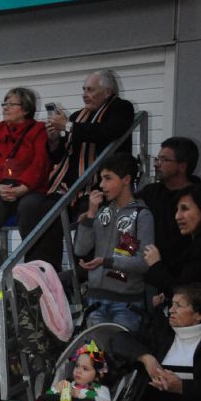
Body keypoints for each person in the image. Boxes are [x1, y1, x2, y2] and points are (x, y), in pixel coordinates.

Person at [22, 70, 135, 270]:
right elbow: (59, 157)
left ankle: (83, 277)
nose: (84, 94)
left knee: (88, 213)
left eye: (90, 90)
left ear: (107, 92)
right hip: (69, 186)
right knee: (31, 205)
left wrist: (68, 126)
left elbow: (108, 132)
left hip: (99, 187)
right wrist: (54, 140)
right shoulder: (76, 117)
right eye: (83, 89)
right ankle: (42, 272)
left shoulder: (121, 108)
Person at [0, 87, 51, 291]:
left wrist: (23, 188)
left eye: (11, 104)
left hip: (28, 188)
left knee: (30, 208)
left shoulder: (38, 129)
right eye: (4, 104)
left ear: (25, 109)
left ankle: (33, 269)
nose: (5, 108)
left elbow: (40, 164)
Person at [74, 152, 153, 333]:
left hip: (127, 304)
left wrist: (106, 261)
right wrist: (90, 215)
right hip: (96, 300)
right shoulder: (101, 213)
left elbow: (143, 262)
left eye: (108, 178)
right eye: (101, 179)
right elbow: (80, 249)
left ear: (126, 179)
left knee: (121, 356)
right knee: (95, 356)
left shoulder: (141, 215)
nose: (102, 185)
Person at [139, 137, 200, 260]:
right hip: (150, 269)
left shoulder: (199, 196)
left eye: (164, 160)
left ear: (182, 166)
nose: (156, 164)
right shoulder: (150, 191)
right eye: (157, 159)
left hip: (185, 271)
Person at [143, 182, 201, 296]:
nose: (177, 216)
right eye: (177, 210)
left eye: (185, 209)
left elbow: (183, 293)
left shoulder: (199, 250)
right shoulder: (193, 244)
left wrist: (156, 264)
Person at [43, 340, 112, 401]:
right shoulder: (70, 384)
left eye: (85, 369)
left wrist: (79, 393)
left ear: (97, 376)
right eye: (77, 366)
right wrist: (56, 390)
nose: (78, 371)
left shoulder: (100, 389)